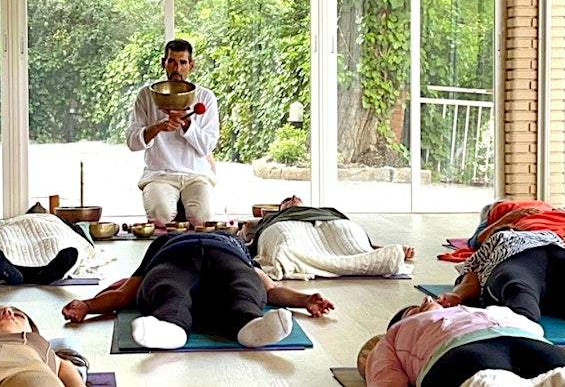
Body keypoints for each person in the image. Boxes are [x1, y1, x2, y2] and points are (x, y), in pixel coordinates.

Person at [61, 231, 335, 349]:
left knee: (242, 287)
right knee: (169, 289)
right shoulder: (163, 241)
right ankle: (170, 328)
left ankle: (252, 327)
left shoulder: (232, 241)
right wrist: (87, 305)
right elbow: (125, 293)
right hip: (174, 259)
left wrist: (305, 299)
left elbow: (270, 289)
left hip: (227, 258)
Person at [363, 298, 565, 387]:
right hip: (467, 352)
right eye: (413, 309)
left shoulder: (488, 309)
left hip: (524, 344)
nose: (426, 300)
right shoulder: (395, 333)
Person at [126, 39, 220, 227]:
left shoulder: (205, 97)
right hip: (159, 175)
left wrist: (187, 123)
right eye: (172, 61)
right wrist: (158, 127)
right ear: (164, 63)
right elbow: (132, 142)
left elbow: (207, 147)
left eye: (183, 62)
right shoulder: (146, 95)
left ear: (191, 65)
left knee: (204, 220)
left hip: (196, 175)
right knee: (160, 217)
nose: (177, 68)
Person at [249, 195, 415, 280]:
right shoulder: (274, 218)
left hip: (330, 222)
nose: (293, 197)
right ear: (281, 209)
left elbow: (363, 244)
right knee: (286, 236)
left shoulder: (326, 211)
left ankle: (377, 257)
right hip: (286, 224)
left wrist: (386, 250)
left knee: (346, 233)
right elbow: (247, 233)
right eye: (287, 200)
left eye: (298, 198)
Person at [0, 212, 112, 284]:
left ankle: (12, 272)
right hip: (11, 227)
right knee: (3, 238)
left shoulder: (57, 221)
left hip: (53, 228)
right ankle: (44, 275)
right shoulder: (5, 223)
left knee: (61, 241)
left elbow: (76, 235)